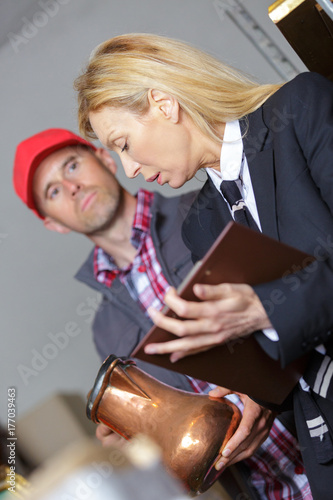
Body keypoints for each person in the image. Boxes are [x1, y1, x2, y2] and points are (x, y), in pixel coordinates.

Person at [74, 33, 333, 499]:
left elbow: (281, 310)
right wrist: (252, 399)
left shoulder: (302, 108)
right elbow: (279, 359)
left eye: (125, 143)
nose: (128, 168)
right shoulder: (203, 225)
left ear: (164, 104)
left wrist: (267, 308)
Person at [13, 128, 311, 500]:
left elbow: (305, 291)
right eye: (53, 191)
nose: (71, 187)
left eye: (72, 166)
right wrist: (133, 450)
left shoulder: (205, 209)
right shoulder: (104, 330)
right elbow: (173, 443)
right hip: (273, 491)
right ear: (53, 223)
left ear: (106, 159)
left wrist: (269, 392)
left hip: (322, 431)